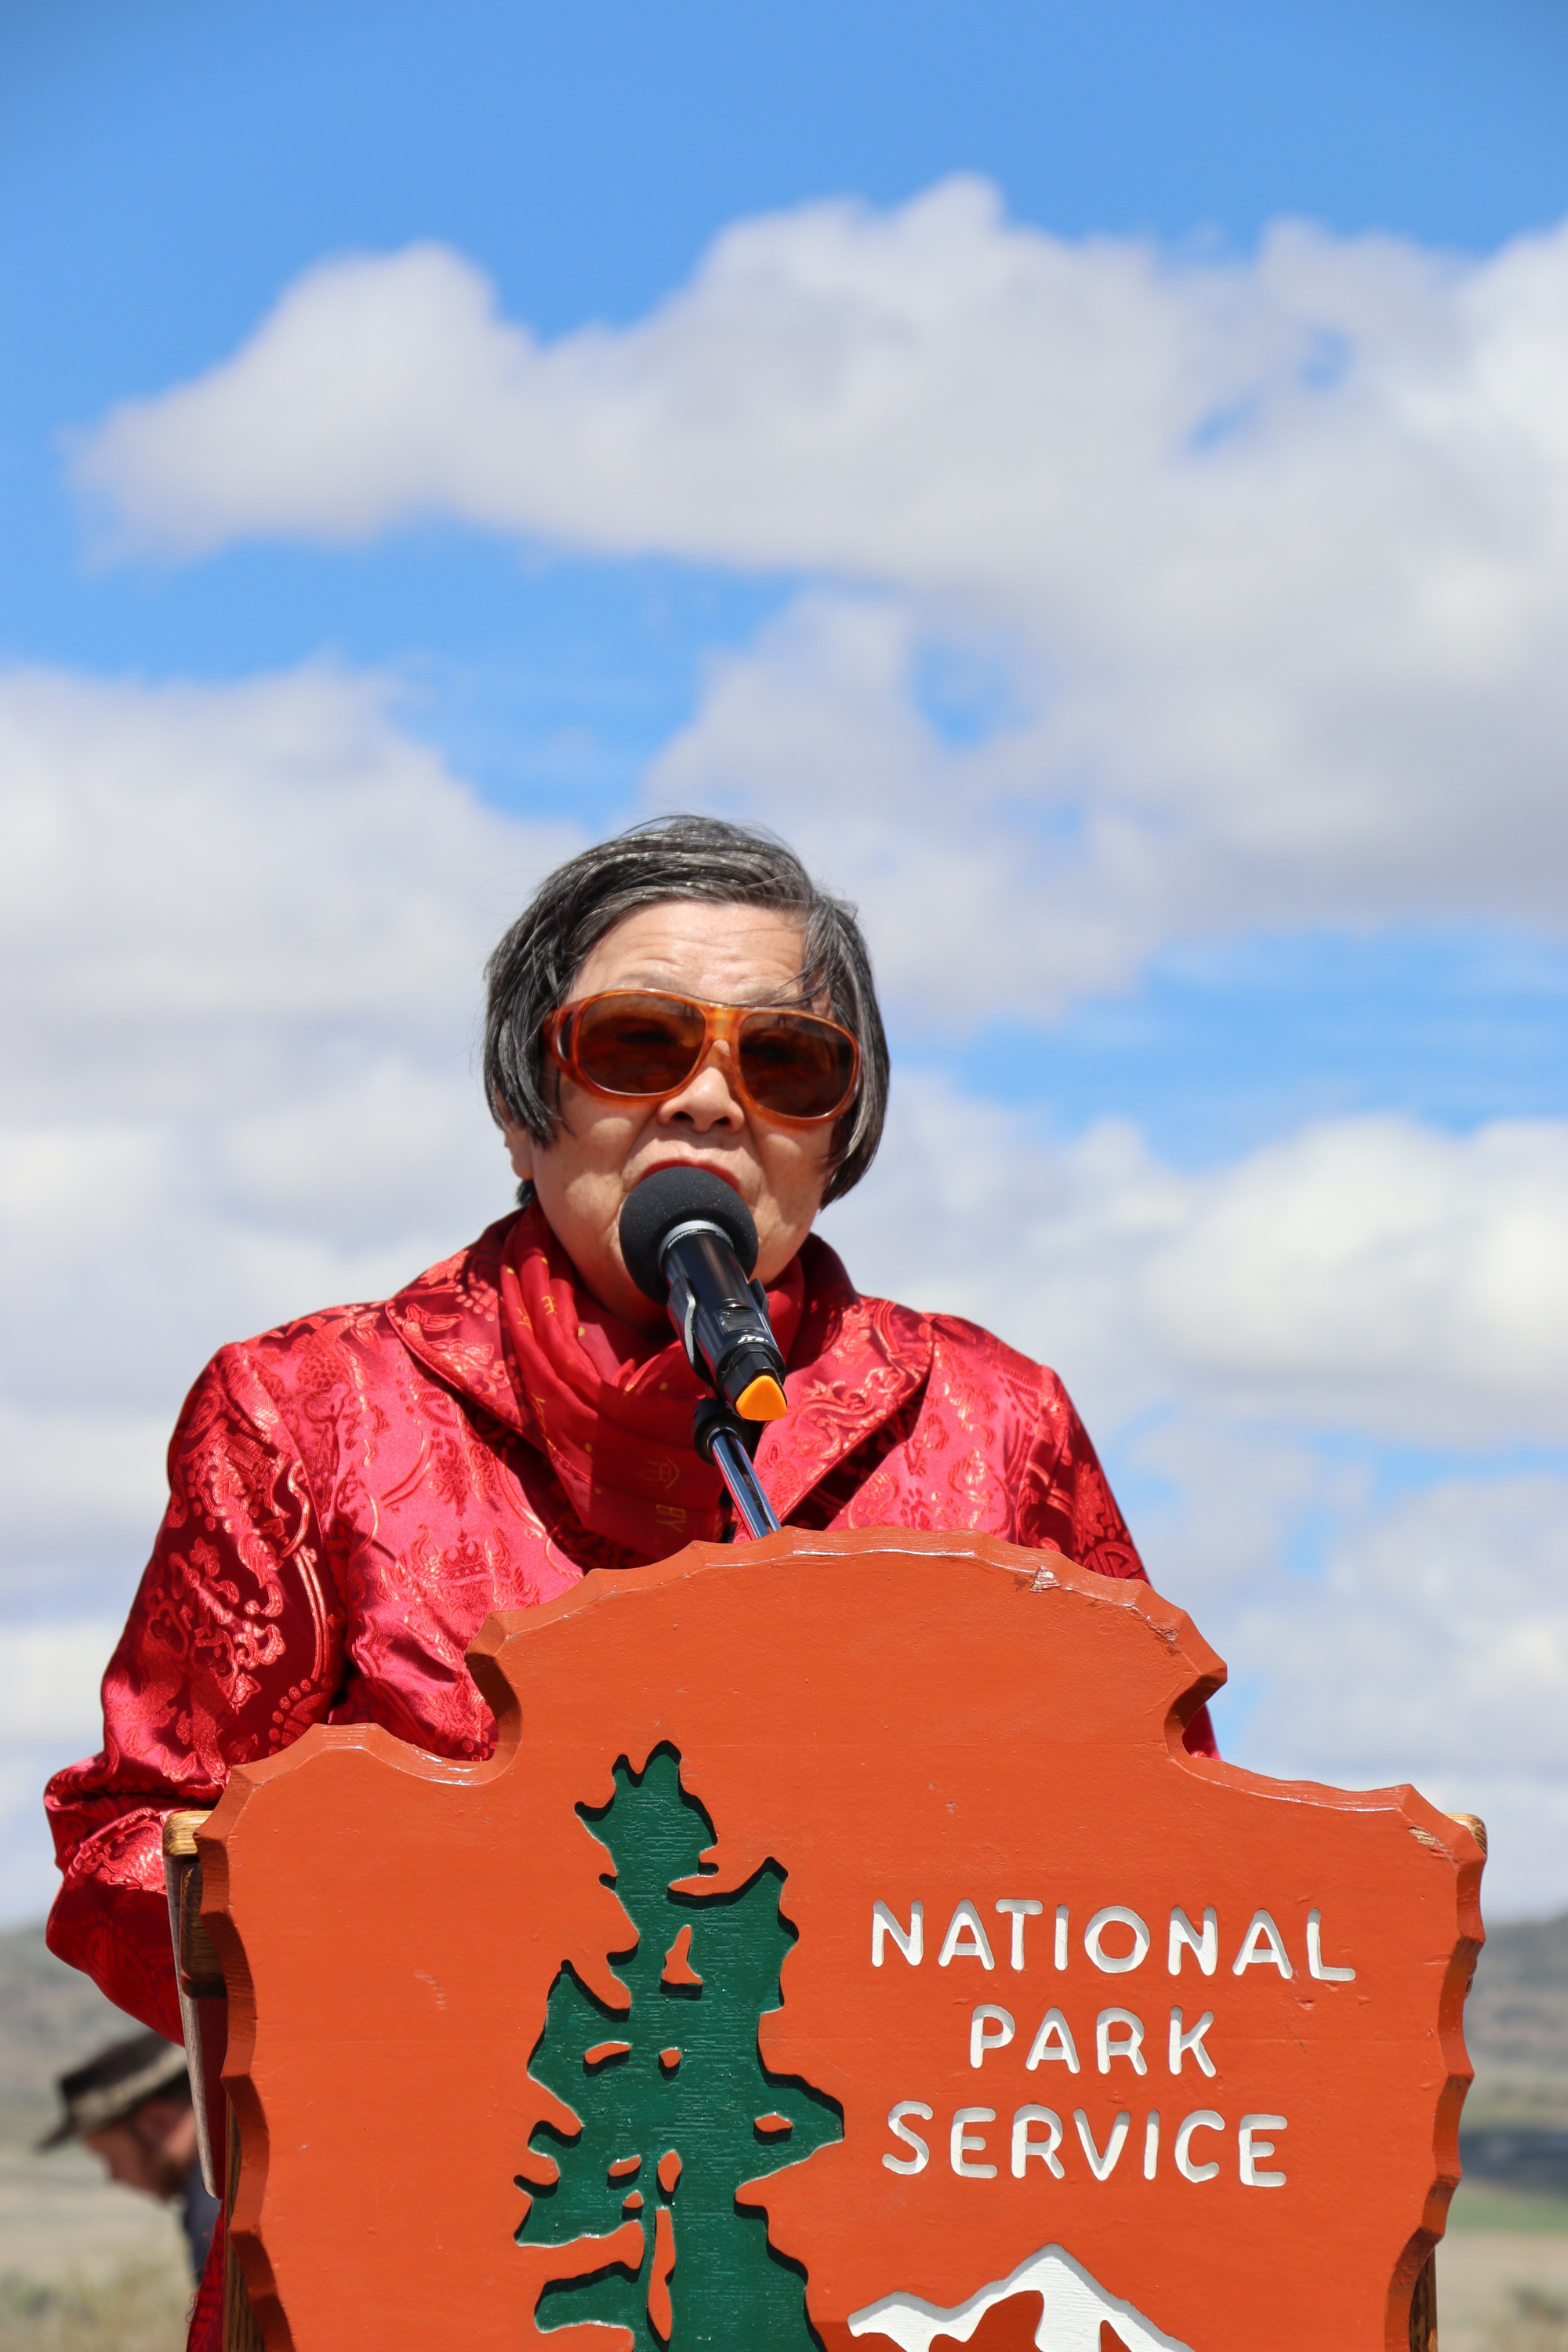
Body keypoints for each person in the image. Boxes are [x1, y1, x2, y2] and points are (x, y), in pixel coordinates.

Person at [44, 814, 1214, 2340]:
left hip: (890, 2277)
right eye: (638, 1043)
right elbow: (135, 1843)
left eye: (787, 1064)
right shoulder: (313, 1420)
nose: (713, 1098)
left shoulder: (996, 1435)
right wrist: (431, 1937)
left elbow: (1169, 1864)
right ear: (525, 1109)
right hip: (429, 2265)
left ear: (835, 1141)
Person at [38, 2028, 222, 2280]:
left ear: (155, 2122)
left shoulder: (215, 2208)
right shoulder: (229, 2176)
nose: (113, 2177)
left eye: (107, 2156)